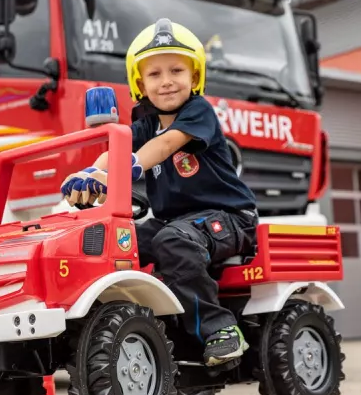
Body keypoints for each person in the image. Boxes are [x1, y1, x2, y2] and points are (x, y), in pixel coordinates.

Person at [60, 18, 258, 366]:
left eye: (177, 70)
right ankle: (135, 329)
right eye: (154, 74)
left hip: (229, 217)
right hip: (176, 221)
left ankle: (221, 329)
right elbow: (115, 148)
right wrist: (90, 173)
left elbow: (166, 145)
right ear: (140, 82)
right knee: (114, 239)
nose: (166, 81)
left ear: (195, 77)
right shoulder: (144, 123)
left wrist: (129, 166)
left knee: (173, 241)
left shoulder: (198, 112)